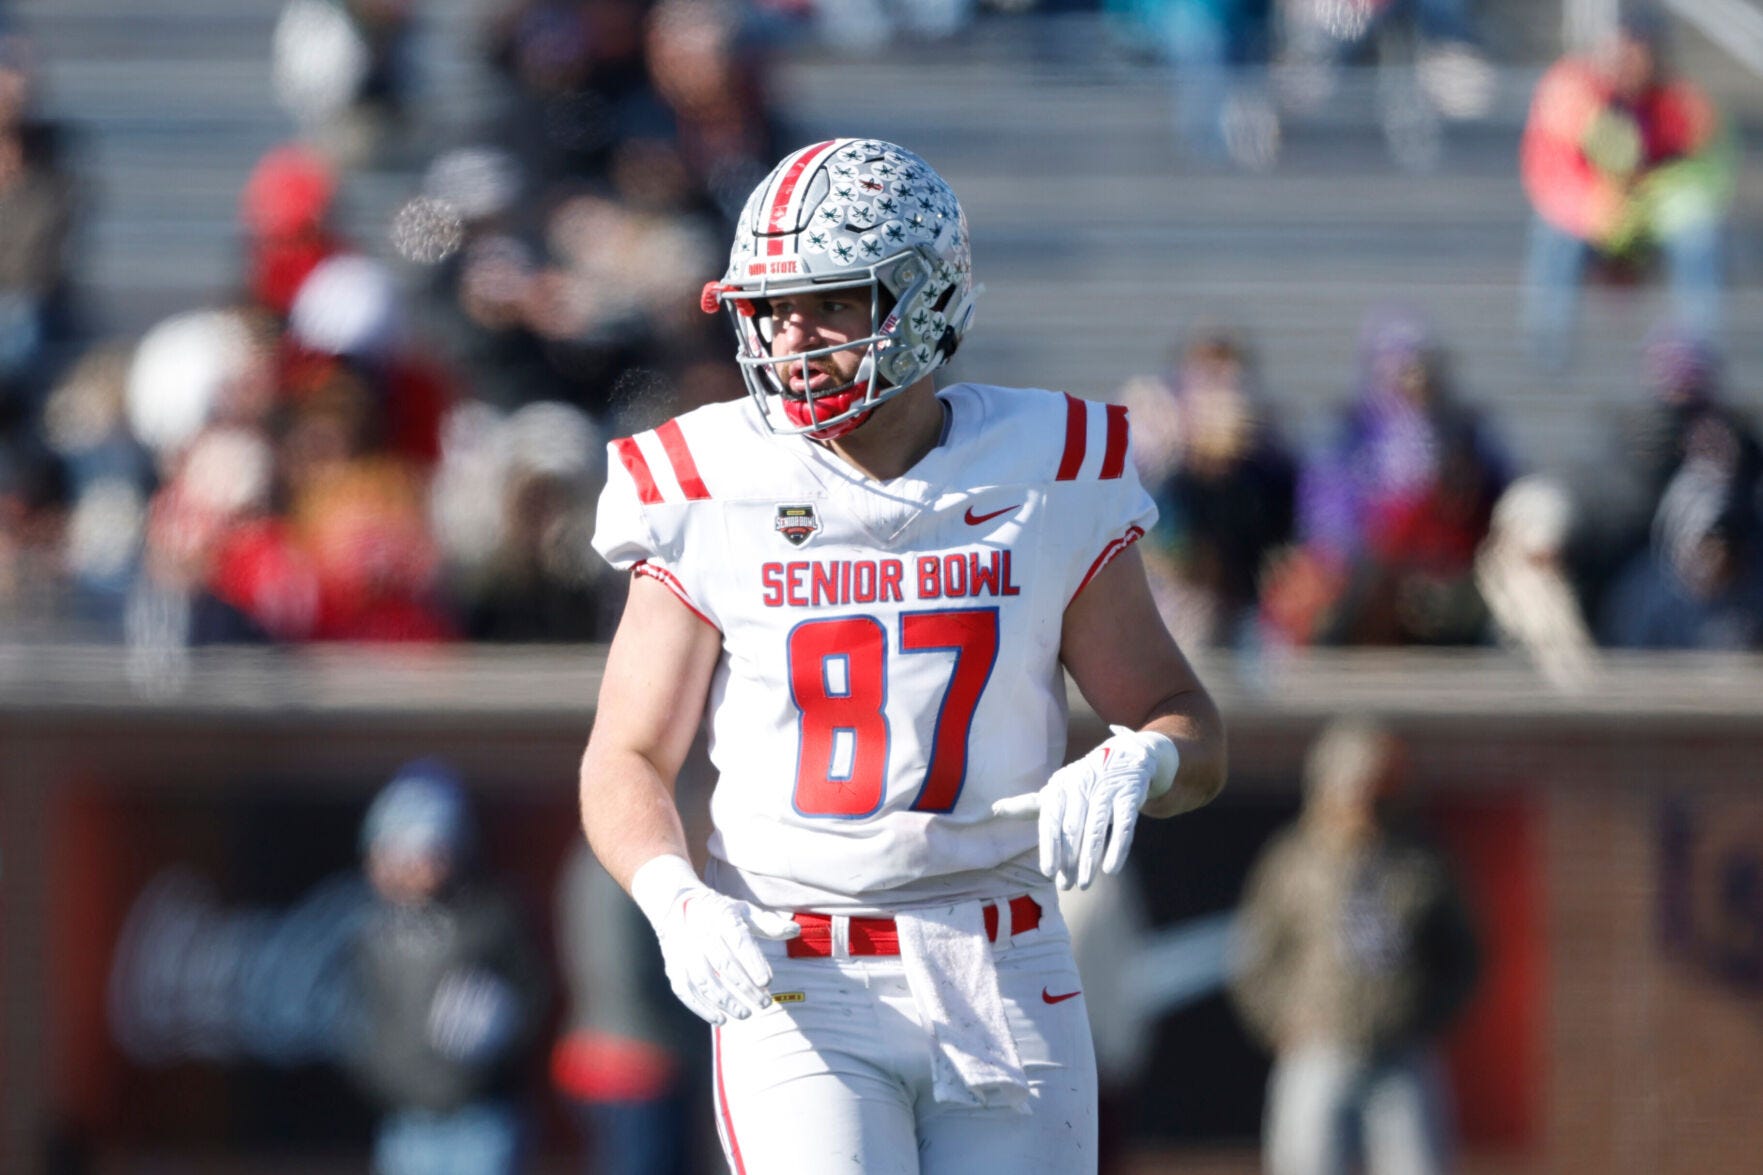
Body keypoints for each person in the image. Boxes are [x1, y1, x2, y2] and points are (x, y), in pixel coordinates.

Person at [578, 137, 1228, 1175]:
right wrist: (672, 896)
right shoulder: (709, 478)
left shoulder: (1046, 468)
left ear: (926, 298)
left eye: (829, 302)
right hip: (797, 964)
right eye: (771, 307)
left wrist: (1145, 756)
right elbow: (625, 753)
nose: (791, 337)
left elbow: (1181, 718)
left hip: (1004, 955)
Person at [1228, 717, 1480, 1175]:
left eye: (1375, 788)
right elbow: (1255, 957)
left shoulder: (1419, 858)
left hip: (1400, 1051)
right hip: (1318, 1048)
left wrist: (1426, 1016)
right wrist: (1281, 1025)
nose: (1364, 801)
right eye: (1353, 786)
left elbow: (1461, 954)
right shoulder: (1292, 861)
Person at [342, 760, 550, 1175]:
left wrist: (505, 1021)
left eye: (420, 852)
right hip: (407, 1123)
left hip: (481, 1121)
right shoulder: (372, 931)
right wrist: (391, 1077)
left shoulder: (491, 915)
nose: (405, 867)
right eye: (391, 853)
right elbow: (358, 1019)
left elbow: (534, 995)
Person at [1518, 6, 1738, 371]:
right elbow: (1548, 173)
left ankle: (1699, 357)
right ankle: (1546, 356)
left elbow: (1707, 176)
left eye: (1636, 52)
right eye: (1618, 51)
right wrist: (1597, 207)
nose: (1625, 62)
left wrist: (1644, 202)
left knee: (1698, 237)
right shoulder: (1570, 91)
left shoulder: (1682, 101)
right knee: (1554, 235)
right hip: (1590, 217)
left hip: (1651, 217)